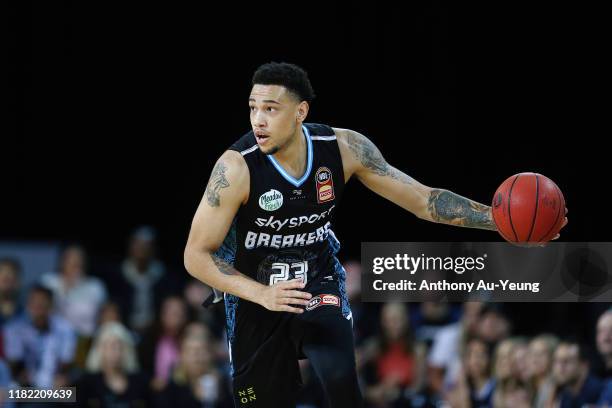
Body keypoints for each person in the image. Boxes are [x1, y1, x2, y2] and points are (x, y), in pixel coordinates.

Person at [183, 62, 568, 407]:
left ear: (301, 112)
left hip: (316, 280)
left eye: (270, 108)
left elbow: (423, 200)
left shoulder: (344, 149)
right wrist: (261, 294)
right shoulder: (235, 169)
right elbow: (196, 255)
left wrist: (499, 222)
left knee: (341, 383)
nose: (258, 120)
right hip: (254, 291)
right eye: (253, 107)